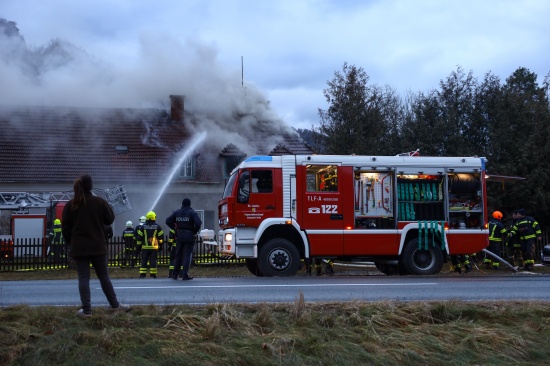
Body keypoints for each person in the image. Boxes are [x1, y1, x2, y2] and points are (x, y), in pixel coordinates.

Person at [61, 174, 127, 317]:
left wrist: (72, 242)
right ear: (91, 186)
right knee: (104, 276)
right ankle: (115, 305)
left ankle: (87, 311)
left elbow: (65, 228)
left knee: (83, 278)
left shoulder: (71, 205)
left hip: (79, 248)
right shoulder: (99, 202)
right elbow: (109, 219)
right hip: (98, 246)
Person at [166, 198, 202, 280]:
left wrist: (175, 228)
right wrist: (194, 231)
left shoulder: (177, 212)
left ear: (182, 204)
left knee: (178, 254)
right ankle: (184, 274)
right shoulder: (192, 212)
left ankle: (175, 274)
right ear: (189, 204)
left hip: (179, 235)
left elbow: (168, 221)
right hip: (189, 235)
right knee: (187, 255)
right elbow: (198, 223)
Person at [137, 211, 164, 278]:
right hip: (154, 248)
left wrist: (138, 248)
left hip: (145, 248)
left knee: (144, 260)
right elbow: (161, 238)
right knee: (153, 261)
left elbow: (139, 238)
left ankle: (142, 275)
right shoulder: (157, 227)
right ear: (154, 217)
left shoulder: (143, 227)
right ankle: (153, 275)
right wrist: (161, 246)